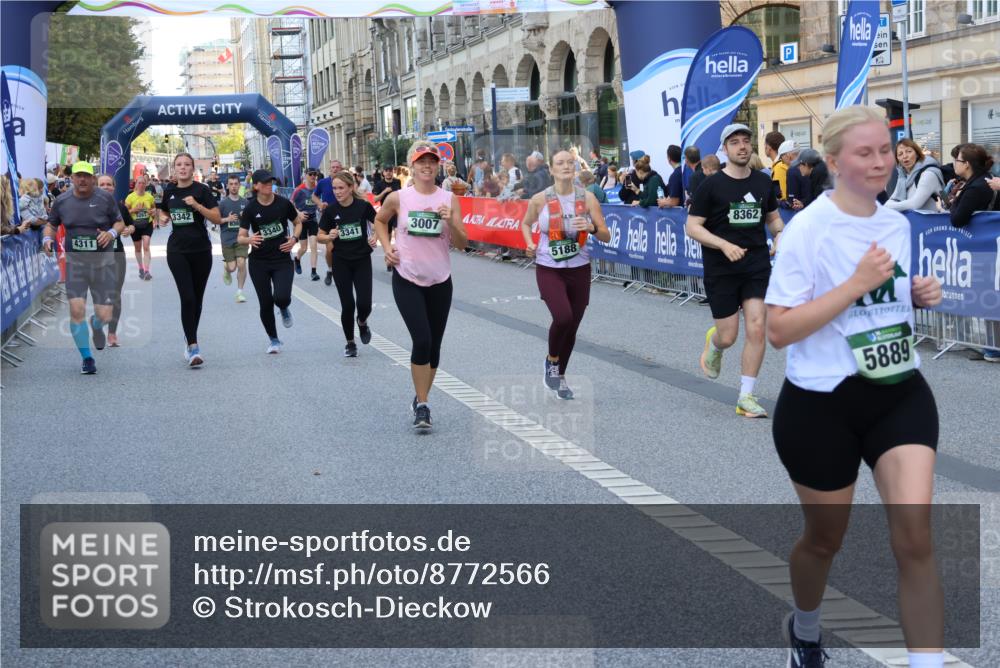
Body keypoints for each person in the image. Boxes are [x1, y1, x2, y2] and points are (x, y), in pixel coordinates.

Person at [765, 104, 946, 668]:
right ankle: (806, 629)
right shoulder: (807, 231)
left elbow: (878, 305)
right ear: (836, 160)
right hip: (821, 404)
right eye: (864, 153)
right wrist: (856, 285)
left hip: (897, 391)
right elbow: (779, 329)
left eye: (886, 151)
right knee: (825, 540)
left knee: (915, 538)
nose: (880, 163)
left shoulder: (894, 222)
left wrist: (910, 295)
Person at [685, 123, 783, 418]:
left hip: (755, 264)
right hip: (721, 268)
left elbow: (774, 221)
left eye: (746, 141)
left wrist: (779, 237)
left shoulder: (763, 183)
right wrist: (723, 245)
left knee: (756, 327)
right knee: (729, 335)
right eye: (735, 142)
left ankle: (746, 396)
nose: (742, 146)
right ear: (725, 149)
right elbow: (692, 227)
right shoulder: (710, 186)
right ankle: (714, 343)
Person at [374, 141, 468, 430]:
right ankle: (424, 406)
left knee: (435, 347)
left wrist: (450, 221)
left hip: (440, 279)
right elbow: (380, 220)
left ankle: (419, 395)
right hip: (407, 277)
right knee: (422, 340)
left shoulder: (449, 199)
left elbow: (463, 244)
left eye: (432, 162)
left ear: (438, 166)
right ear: (411, 166)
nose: (427, 166)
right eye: (421, 162)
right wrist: (387, 247)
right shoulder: (399, 198)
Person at [521, 150, 611, 399]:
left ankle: (559, 377)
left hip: (579, 268)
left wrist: (592, 227)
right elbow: (526, 224)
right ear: (550, 169)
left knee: (573, 325)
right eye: (559, 162)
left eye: (570, 162)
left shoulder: (588, 198)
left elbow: (606, 234)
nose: (566, 166)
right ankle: (551, 360)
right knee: (563, 317)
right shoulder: (540, 199)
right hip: (549, 267)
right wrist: (529, 243)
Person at [42, 162, 124, 374]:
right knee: (76, 310)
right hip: (75, 265)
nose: (82, 180)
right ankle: (87, 358)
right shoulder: (62, 201)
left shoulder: (104, 198)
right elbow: (51, 224)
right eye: (78, 176)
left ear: (92, 178)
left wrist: (111, 234)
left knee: (105, 316)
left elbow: (119, 223)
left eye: (86, 176)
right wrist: (47, 239)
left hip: (102, 265)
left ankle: (97, 326)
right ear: (72, 178)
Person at [155, 152, 222, 367]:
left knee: (198, 299)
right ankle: (193, 346)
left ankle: (189, 335)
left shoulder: (202, 191)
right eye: (179, 165)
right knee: (188, 298)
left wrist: (197, 206)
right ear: (174, 169)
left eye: (187, 164)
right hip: (177, 250)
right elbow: (163, 212)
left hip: (201, 249)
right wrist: (163, 218)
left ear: (193, 168)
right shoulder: (170, 191)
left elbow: (217, 218)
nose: (182, 168)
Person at [238, 169, 303, 354]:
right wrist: (249, 240)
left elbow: (298, 222)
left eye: (271, 182)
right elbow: (240, 237)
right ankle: (274, 339)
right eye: (265, 182)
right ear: (256, 186)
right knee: (265, 302)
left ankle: (283, 307)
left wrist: (294, 239)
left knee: (281, 297)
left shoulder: (283, 203)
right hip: (259, 262)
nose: (269, 185)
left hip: (282, 258)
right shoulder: (250, 208)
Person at [318, 171, 378, 357]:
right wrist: (329, 236)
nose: (337, 191)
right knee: (347, 304)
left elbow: (380, 223)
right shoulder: (330, 211)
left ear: (351, 188)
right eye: (334, 188)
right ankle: (350, 343)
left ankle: (362, 322)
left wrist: (375, 236)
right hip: (341, 261)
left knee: (364, 303)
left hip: (361, 259)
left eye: (341, 188)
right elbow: (319, 236)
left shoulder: (363, 206)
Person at [96, 174, 135, 348]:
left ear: (114, 187)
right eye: (102, 184)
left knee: (115, 294)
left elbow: (131, 225)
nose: (105, 187)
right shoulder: (88, 208)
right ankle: (99, 323)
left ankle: (112, 333)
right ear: (96, 186)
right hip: (95, 257)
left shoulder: (120, 207)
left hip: (117, 255)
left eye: (109, 184)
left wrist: (128, 230)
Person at [886, 139, 944, 212]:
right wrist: (888, 205)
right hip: (915, 222)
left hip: (934, 222)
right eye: (900, 154)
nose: (905, 156)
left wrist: (888, 206)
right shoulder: (903, 178)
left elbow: (915, 204)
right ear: (897, 160)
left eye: (909, 151)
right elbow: (893, 199)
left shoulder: (928, 174)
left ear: (917, 154)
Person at [312, 159, 345, 284]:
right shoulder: (323, 182)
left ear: (341, 169)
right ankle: (330, 270)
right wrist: (320, 204)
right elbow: (314, 196)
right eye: (333, 167)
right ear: (329, 169)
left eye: (337, 167)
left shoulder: (347, 182)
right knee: (330, 248)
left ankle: (345, 270)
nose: (335, 169)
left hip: (344, 216)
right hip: (328, 217)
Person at [218, 174, 249, 302]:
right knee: (232, 267)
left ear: (239, 185)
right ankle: (226, 269)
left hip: (241, 238)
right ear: (227, 186)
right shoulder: (223, 203)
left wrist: (245, 217)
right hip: (227, 238)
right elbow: (216, 220)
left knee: (241, 263)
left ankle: (239, 292)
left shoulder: (245, 202)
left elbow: (252, 221)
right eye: (231, 184)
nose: (234, 186)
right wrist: (227, 219)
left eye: (236, 184)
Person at [292, 169, 322, 281]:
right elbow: (290, 205)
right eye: (310, 174)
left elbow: (319, 201)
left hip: (313, 219)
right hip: (302, 222)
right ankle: (297, 258)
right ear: (305, 176)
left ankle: (314, 272)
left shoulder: (317, 188)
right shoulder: (299, 189)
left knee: (314, 245)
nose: (313, 176)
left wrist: (320, 206)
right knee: (304, 248)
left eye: (315, 175)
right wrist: (299, 213)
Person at [125, 175, 156, 280]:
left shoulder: (149, 197)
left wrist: (153, 214)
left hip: (147, 224)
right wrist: (134, 210)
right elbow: (125, 212)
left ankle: (147, 271)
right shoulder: (130, 197)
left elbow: (153, 209)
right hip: (135, 225)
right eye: (139, 183)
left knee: (146, 246)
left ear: (146, 184)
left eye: (143, 183)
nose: (141, 185)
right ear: (136, 184)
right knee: (138, 248)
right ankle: (141, 268)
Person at [764, 131, 787, 199]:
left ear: (768, 147)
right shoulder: (781, 163)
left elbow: (781, 197)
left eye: (765, 144)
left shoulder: (779, 166)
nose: (764, 147)